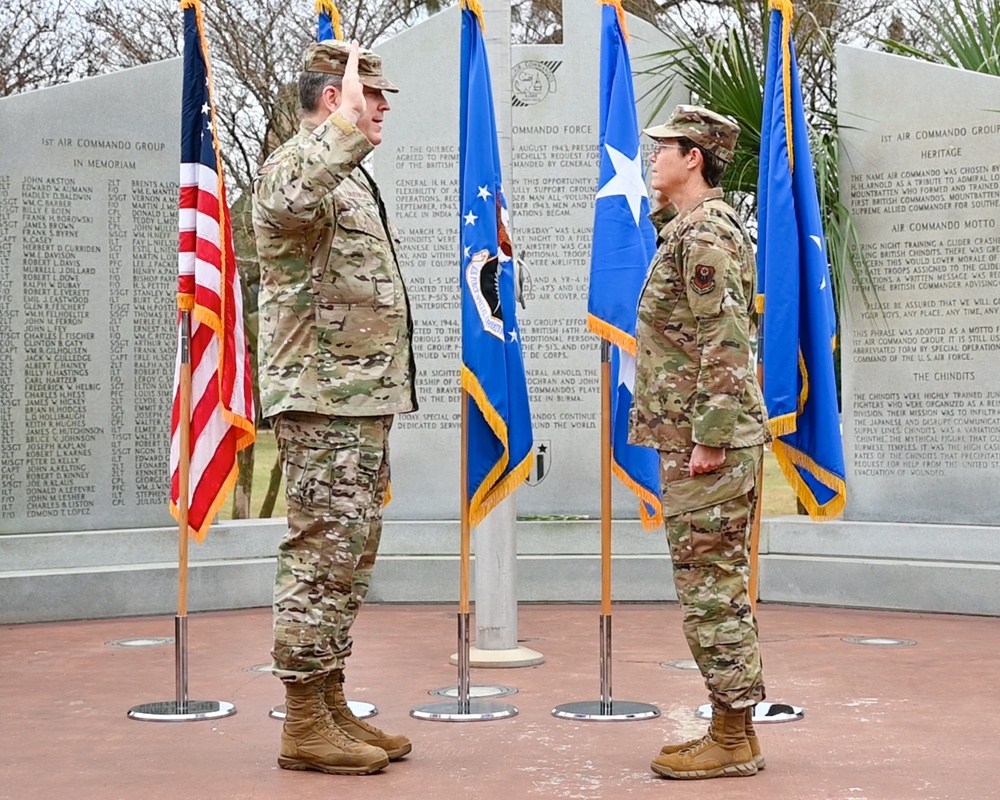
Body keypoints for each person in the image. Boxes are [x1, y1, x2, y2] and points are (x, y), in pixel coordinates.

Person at [252, 39, 417, 776]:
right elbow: (287, 198)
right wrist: (346, 126)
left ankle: (331, 700)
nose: (381, 109)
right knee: (320, 557)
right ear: (332, 99)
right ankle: (302, 721)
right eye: (370, 96)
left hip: (355, 403)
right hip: (320, 403)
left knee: (347, 560)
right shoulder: (294, 169)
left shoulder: (347, 184)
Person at [629, 105, 771, 780]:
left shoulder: (706, 233)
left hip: (706, 443)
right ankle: (727, 724)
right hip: (692, 437)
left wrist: (711, 439)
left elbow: (727, 339)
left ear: (694, 158)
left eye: (664, 146)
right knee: (706, 584)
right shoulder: (685, 230)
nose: (652, 154)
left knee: (712, 588)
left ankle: (734, 736)